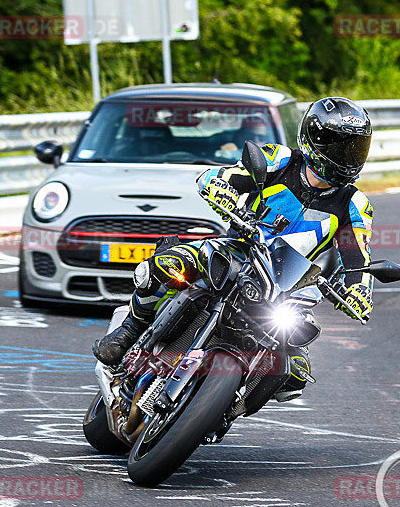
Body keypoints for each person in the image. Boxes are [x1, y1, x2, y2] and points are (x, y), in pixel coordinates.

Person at [94, 97, 375, 402]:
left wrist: (359, 291)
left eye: (355, 148)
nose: (347, 156)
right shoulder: (280, 160)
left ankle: (228, 405)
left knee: (294, 370)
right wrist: (220, 189)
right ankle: (128, 332)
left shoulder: (353, 203)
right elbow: (220, 177)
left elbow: (357, 257)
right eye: (339, 146)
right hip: (239, 250)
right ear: (314, 138)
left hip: (287, 286)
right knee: (164, 267)